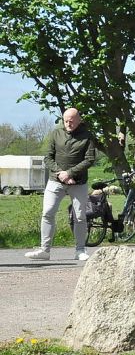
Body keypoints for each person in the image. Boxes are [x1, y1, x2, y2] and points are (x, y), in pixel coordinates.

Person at [25, 108, 96, 261]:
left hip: (78, 183)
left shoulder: (87, 136)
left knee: (80, 216)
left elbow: (89, 159)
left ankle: (80, 250)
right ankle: (44, 250)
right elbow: (48, 158)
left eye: (71, 120)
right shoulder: (55, 134)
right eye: (65, 120)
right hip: (55, 181)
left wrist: (70, 173)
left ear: (78, 120)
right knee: (48, 212)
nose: (68, 123)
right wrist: (61, 174)